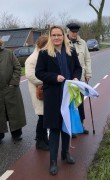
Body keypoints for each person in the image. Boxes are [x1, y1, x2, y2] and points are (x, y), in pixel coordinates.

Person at [35, 25, 82, 175]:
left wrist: (75, 77)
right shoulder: (44, 53)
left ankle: (65, 153)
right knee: (55, 128)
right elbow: (39, 73)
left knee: (67, 126)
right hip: (53, 96)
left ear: (63, 36)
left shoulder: (71, 51)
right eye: (53, 35)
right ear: (50, 36)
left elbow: (77, 68)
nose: (56, 38)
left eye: (59, 35)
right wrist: (54, 77)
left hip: (68, 94)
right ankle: (53, 161)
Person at [66, 22, 92, 135]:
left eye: (76, 32)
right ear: (68, 31)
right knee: (70, 103)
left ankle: (80, 126)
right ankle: (70, 128)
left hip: (80, 78)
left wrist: (88, 73)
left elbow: (87, 59)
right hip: (68, 80)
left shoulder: (82, 43)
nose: (74, 34)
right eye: (72, 32)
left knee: (80, 103)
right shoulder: (64, 43)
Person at [25, 35, 49, 151]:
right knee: (42, 116)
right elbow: (30, 76)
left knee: (45, 116)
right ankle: (39, 140)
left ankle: (44, 138)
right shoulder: (32, 59)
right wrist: (47, 80)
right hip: (38, 91)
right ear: (42, 45)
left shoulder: (44, 55)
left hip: (45, 89)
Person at [0, 39, 26, 144]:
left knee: (14, 113)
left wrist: (13, 83)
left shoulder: (9, 53)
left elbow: (17, 67)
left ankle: (16, 134)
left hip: (10, 89)